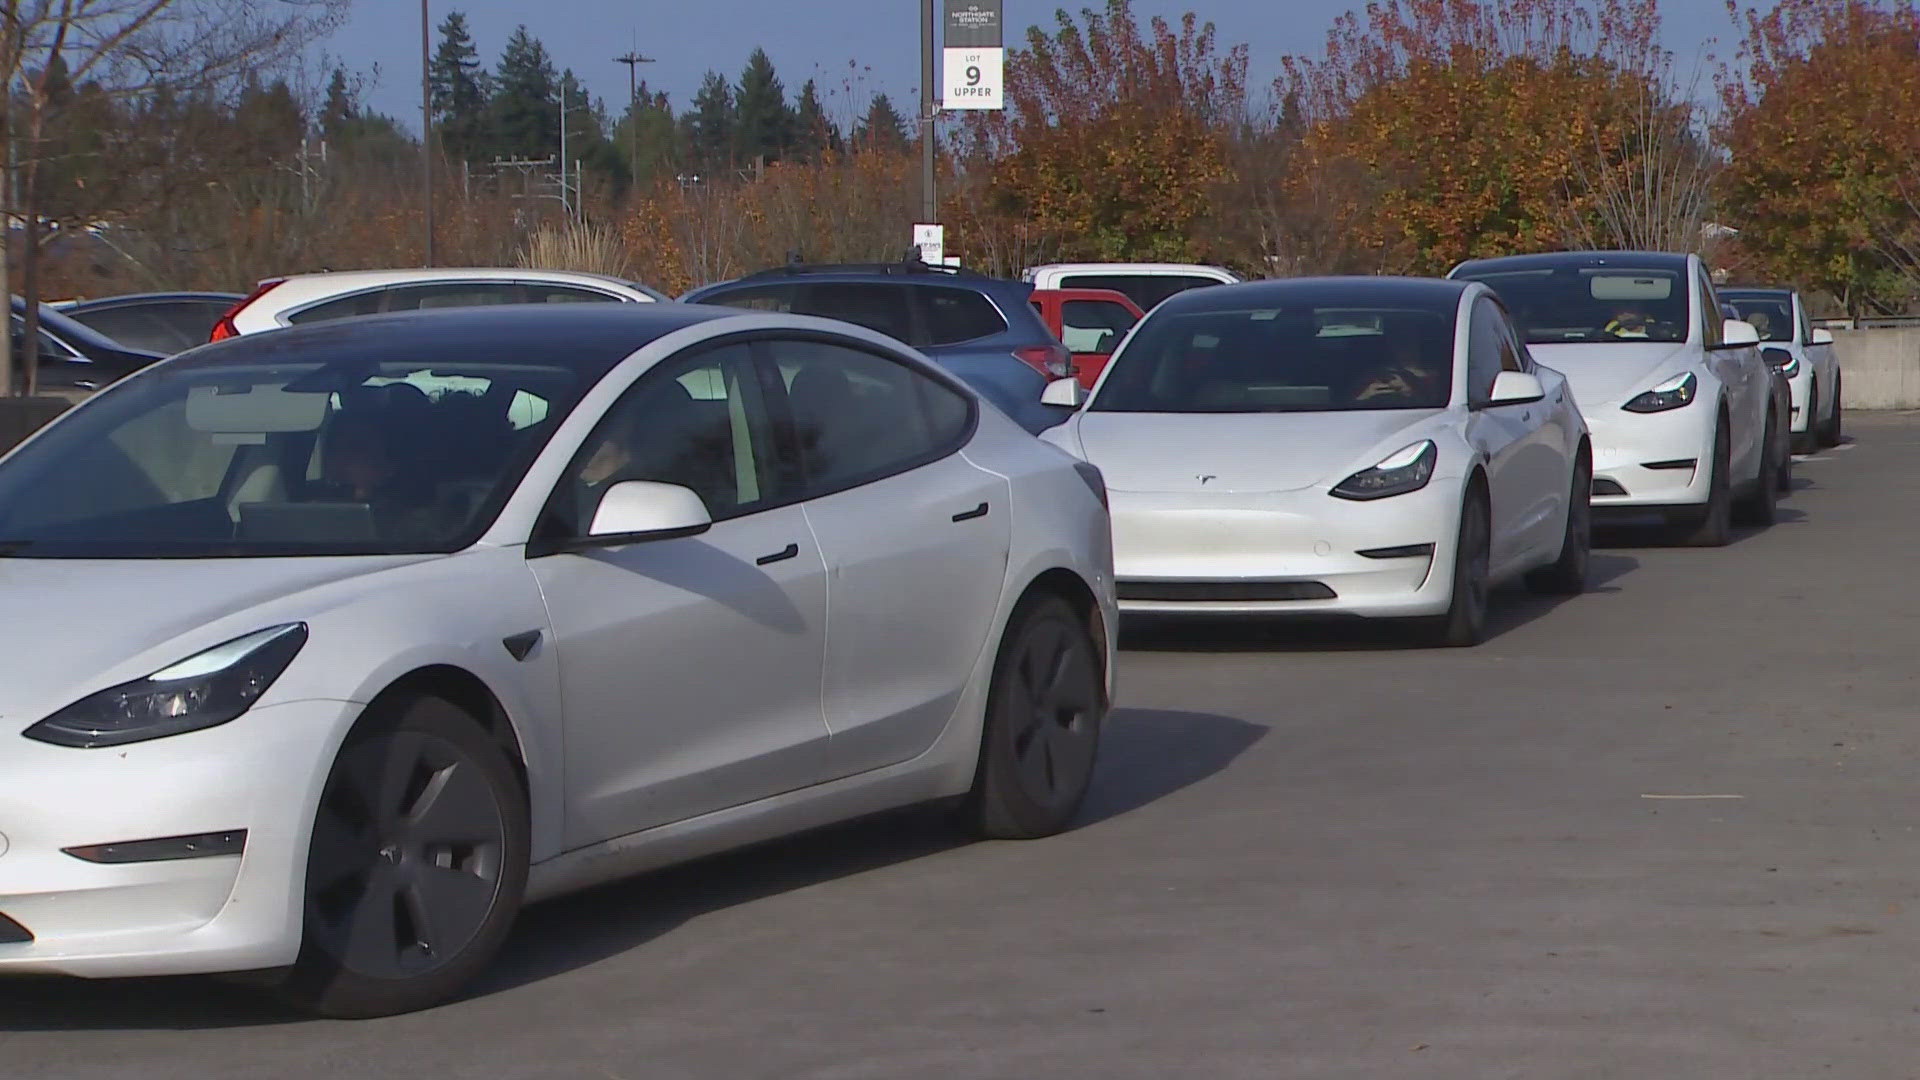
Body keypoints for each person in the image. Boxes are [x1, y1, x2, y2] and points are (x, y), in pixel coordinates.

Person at [1351, 337, 1445, 405]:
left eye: (1407, 341)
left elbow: (1440, 412)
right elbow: (1346, 411)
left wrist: (1408, 392)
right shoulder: (1374, 375)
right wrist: (1365, 396)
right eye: (1398, 341)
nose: (1403, 347)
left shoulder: (1442, 377)